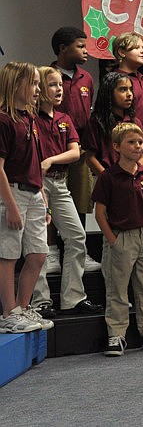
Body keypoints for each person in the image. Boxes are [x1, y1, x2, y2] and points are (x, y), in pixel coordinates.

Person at [93, 122, 143, 356]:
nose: (137, 146)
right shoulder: (109, 177)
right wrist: (113, 240)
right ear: (117, 146)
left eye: (140, 142)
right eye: (131, 142)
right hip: (122, 238)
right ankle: (116, 334)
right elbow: (100, 213)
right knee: (117, 288)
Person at [32, 66, 103, 317]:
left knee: (77, 236)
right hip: (37, 184)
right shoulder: (31, 119)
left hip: (59, 182)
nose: (59, 89)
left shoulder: (64, 119)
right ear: (39, 89)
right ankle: (40, 300)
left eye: (60, 85)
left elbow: (75, 153)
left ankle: (73, 297)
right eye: (52, 85)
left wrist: (51, 160)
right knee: (38, 243)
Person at [0, 62, 52, 333]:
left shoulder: (30, 119)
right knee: (8, 255)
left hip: (33, 193)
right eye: (33, 83)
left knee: (39, 254)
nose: (37, 89)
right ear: (15, 84)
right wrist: (10, 205)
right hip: (12, 193)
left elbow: (35, 162)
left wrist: (43, 197)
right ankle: (8, 312)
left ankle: (22, 306)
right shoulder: (4, 119)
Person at [50, 28, 95, 259]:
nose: (86, 51)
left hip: (80, 148)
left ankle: (80, 251)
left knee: (81, 197)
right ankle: (51, 250)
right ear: (63, 49)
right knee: (51, 201)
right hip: (53, 147)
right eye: (80, 46)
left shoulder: (86, 77)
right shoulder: (47, 75)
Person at [112, 33, 143, 173]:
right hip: (133, 138)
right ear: (122, 52)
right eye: (137, 47)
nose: (142, 51)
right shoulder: (117, 80)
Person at [84, 72, 143, 175]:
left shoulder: (135, 122)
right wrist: (108, 179)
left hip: (132, 177)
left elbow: (142, 155)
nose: (129, 94)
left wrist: (135, 174)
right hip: (105, 178)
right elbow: (90, 157)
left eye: (130, 89)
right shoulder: (97, 122)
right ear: (109, 93)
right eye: (123, 89)